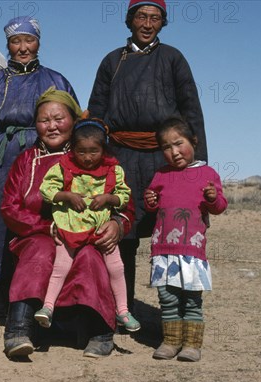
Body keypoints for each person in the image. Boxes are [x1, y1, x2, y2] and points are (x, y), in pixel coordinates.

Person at [87, 0, 207, 312]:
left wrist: (198, 165)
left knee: (172, 234)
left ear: (162, 23)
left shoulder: (173, 58)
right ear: (129, 20)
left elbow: (192, 112)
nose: (147, 23)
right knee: (119, 232)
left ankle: (174, 316)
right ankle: (117, 310)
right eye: (141, 16)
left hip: (164, 161)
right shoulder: (112, 61)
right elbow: (97, 113)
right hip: (120, 158)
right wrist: (95, 162)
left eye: (155, 18)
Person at [0, 88, 135, 359]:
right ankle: (18, 331)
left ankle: (101, 331)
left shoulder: (95, 156)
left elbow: (126, 204)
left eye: (58, 118)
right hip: (38, 233)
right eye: (43, 120)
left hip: (87, 233)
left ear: (73, 120)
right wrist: (45, 228)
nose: (51, 126)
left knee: (90, 256)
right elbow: (9, 207)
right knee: (39, 251)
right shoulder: (26, 160)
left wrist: (118, 225)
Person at [0, 16, 78, 321]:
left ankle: (46, 303)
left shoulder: (55, 80)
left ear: (38, 43)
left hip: (44, 158)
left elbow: (75, 125)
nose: (23, 48)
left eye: (29, 40)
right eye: (16, 42)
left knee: (42, 220)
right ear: (8, 45)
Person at [35, 119, 140, 332]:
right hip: (70, 223)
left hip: (100, 226)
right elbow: (46, 190)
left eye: (94, 151)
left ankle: (122, 310)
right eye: (81, 152)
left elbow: (124, 195)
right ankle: (47, 307)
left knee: (116, 267)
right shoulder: (63, 167)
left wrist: (108, 199)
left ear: (104, 149)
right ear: (73, 149)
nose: (88, 158)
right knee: (61, 266)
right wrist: (66, 195)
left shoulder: (114, 169)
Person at [143, 118, 227, 362]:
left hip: (192, 250)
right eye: (166, 147)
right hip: (163, 250)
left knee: (191, 299)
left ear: (194, 141)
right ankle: (170, 341)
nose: (174, 152)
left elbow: (219, 207)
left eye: (179, 144)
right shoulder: (160, 174)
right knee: (167, 298)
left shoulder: (208, 173)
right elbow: (155, 206)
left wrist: (213, 198)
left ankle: (191, 344)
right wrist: (150, 202)